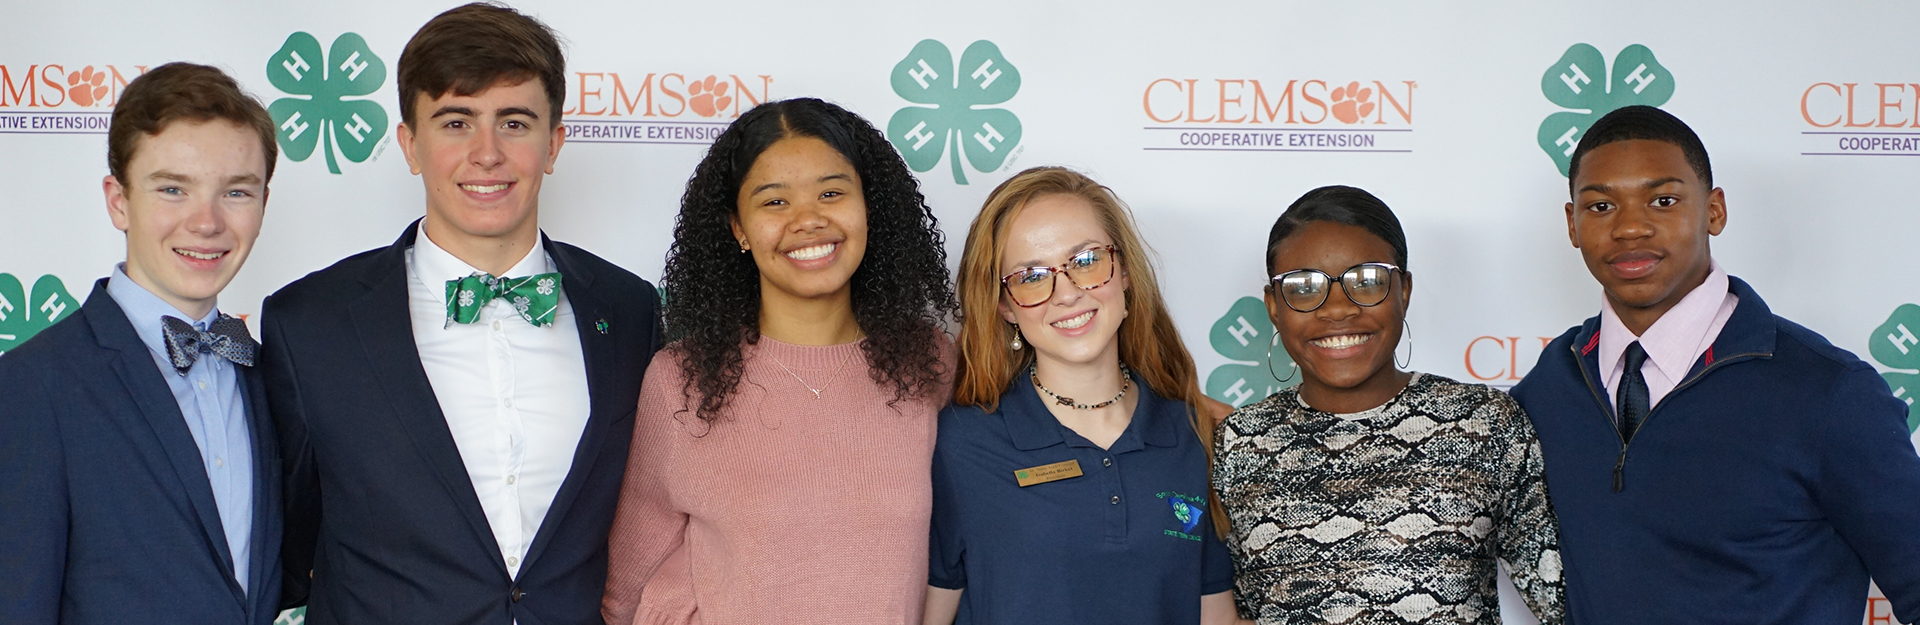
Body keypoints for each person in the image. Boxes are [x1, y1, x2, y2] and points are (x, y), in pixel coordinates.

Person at [259, 4, 661, 623]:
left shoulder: (630, 310)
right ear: (410, 144)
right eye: (456, 122)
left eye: (515, 123)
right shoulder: (309, 323)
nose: (487, 153)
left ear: (553, 144)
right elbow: (286, 547)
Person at [1511, 105, 1920, 623]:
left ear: (1714, 211)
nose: (1631, 228)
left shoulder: (1829, 392)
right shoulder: (1551, 385)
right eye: (1600, 207)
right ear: (1572, 224)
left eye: (1663, 200)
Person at [601, 98, 956, 625]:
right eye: (774, 203)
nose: (808, 220)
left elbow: (956, 555)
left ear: (868, 208)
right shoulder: (682, 378)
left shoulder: (930, 363)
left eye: (832, 193)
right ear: (739, 229)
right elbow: (627, 586)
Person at [0, 63, 282, 625]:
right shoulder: (33, 385)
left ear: (263, 204)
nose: (206, 222)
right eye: (173, 189)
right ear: (118, 201)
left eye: (236, 191)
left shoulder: (273, 372)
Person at [1214, 186, 1566, 624]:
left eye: (1367, 281)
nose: (1338, 309)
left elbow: (1564, 599)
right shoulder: (1238, 443)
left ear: (1405, 290)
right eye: (1304, 287)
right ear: (1273, 306)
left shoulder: (1483, 423)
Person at [922, 166, 1244, 625]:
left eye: (1087, 261)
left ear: (1125, 270)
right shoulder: (961, 441)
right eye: (1032, 275)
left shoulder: (1192, 432)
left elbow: (1214, 615)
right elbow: (934, 607)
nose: (1067, 293)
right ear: (1004, 305)